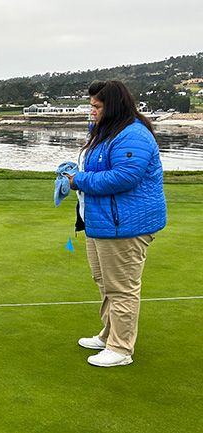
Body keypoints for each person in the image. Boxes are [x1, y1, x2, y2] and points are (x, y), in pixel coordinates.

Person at [66, 80, 166, 367]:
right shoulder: (103, 133)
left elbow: (124, 178)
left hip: (126, 225)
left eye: (97, 106)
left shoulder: (133, 135)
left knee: (122, 288)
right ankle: (110, 334)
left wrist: (79, 180)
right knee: (104, 282)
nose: (91, 111)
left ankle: (121, 349)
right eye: (91, 105)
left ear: (113, 107)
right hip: (101, 221)